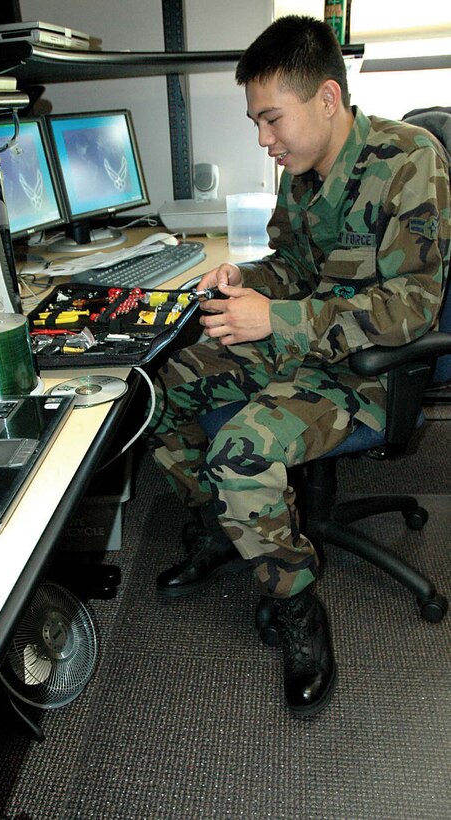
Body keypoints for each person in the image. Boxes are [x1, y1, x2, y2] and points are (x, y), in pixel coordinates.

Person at [145, 14, 451, 717]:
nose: (263, 140)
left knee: (240, 451)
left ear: (328, 99)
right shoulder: (302, 172)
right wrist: (245, 279)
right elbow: (291, 266)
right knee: (158, 390)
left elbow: (412, 308)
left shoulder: (412, 161)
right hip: (297, 348)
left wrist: (276, 319)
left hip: (368, 373)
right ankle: (229, 525)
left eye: (271, 119)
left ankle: (299, 609)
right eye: (257, 123)